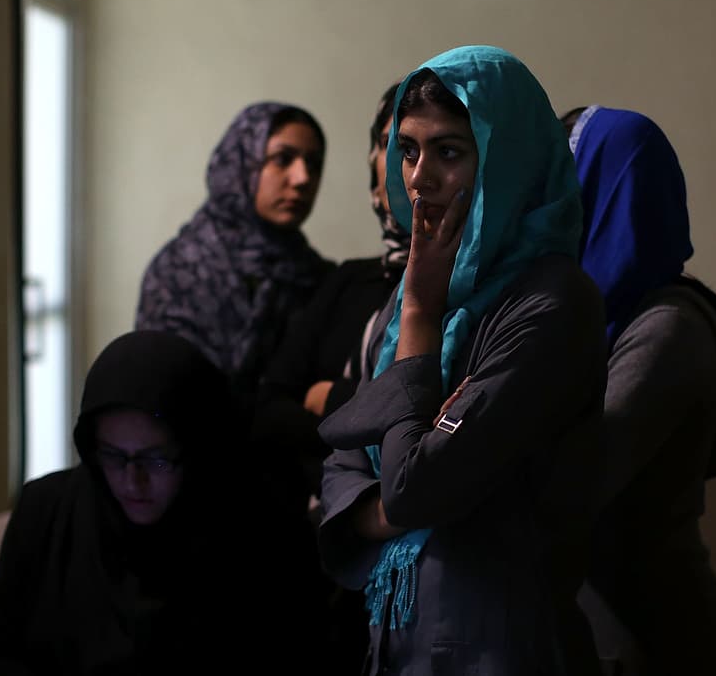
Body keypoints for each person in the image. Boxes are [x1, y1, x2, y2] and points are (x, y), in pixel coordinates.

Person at [316, 46, 607, 675]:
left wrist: (421, 317)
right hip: (400, 634)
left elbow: (413, 487)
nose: (419, 179)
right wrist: (385, 504)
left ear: (507, 161)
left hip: (494, 645)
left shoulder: (550, 304)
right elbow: (344, 456)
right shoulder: (425, 284)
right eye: (409, 151)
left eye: (448, 152)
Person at [0, 330, 329, 675]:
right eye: (113, 455)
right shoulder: (46, 512)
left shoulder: (266, 533)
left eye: (155, 459)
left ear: (199, 450)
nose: (132, 481)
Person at [564, 106, 716, 676]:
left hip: (647, 634)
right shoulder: (604, 312)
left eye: (565, 185)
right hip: (605, 622)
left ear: (608, 194)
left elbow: (577, 478)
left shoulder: (666, 326)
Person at [255, 83, 411, 503]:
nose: (409, 164)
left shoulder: (474, 283)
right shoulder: (347, 280)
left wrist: (333, 397)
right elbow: (270, 410)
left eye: (441, 148)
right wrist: (364, 422)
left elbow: (424, 429)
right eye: (392, 143)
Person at [135, 102, 332, 394]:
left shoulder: (321, 280)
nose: (302, 178)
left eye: (314, 164)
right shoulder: (177, 272)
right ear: (241, 163)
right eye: (282, 159)